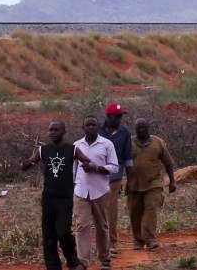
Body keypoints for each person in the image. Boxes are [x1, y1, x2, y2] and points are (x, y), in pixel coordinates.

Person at [21, 120, 89, 270]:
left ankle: (73, 261)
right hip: (48, 198)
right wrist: (26, 164)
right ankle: (53, 266)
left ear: (64, 131)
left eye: (56, 130)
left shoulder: (72, 149)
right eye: (50, 130)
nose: (52, 132)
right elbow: (29, 163)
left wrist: (88, 164)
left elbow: (86, 160)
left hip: (65, 198)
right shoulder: (43, 150)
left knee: (64, 232)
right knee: (49, 235)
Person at [73, 116, 119, 270]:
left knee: (102, 226)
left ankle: (105, 260)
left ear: (98, 127)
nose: (90, 127)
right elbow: (73, 171)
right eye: (87, 125)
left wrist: (97, 168)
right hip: (81, 192)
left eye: (93, 124)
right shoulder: (76, 145)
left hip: (100, 191)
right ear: (83, 127)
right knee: (81, 226)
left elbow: (114, 167)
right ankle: (82, 261)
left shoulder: (107, 144)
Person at [126, 118, 176, 250]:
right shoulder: (129, 143)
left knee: (151, 210)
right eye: (138, 128)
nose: (141, 130)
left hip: (153, 183)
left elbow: (168, 163)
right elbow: (120, 163)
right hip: (133, 184)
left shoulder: (158, 142)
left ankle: (150, 239)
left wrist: (172, 181)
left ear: (148, 127)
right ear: (135, 129)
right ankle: (138, 240)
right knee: (134, 213)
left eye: (143, 127)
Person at [98, 103, 133, 254]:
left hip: (115, 177)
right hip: (97, 176)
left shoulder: (124, 132)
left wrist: (130, 181)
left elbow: (127, 158)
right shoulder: (96, 129)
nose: (120, 119)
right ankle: (101, 242)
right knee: (98, 210)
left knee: (111, 210)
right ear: (109, 117)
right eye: (117, 116)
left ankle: (112, 243)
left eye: (121, 116)